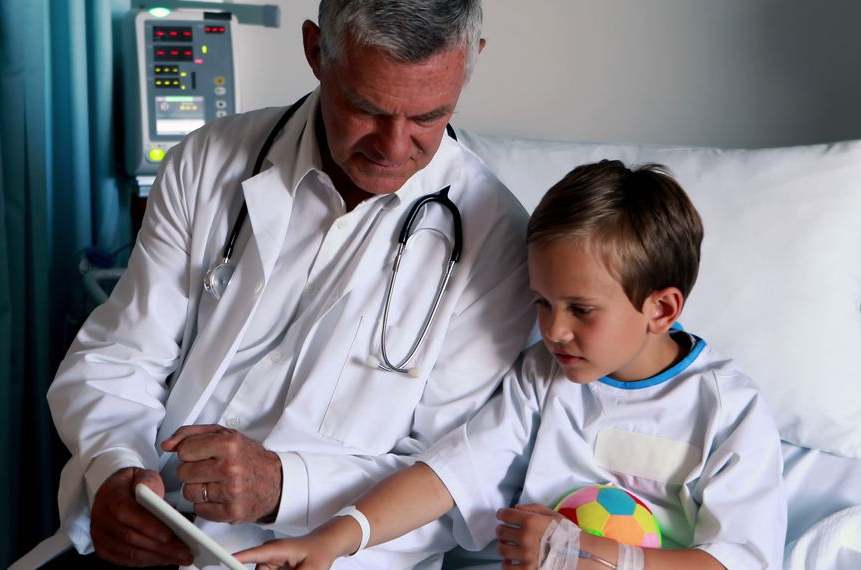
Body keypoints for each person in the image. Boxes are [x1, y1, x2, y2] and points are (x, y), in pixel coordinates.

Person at [44, 0, 535, 567]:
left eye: (428, 116)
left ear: (470, 60)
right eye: (366, 108)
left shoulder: (495, 240)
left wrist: (284, 485)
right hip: (160, 536)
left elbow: (453, 478)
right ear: (314, 51)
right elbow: (120, 357)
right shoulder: (206, 163)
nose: (395, 148)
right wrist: (114, 473)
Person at [237, 160, 788, 570]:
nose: (553, 330)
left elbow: (736, 561)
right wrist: (336, 537)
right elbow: (450, 474)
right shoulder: (542, 377)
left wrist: (581, 553)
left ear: (661, 308)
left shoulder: (726, 409)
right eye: (542, 303)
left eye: (581, 310)